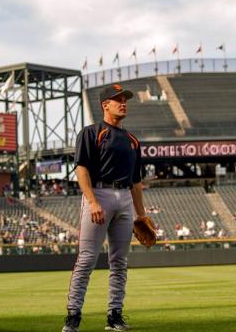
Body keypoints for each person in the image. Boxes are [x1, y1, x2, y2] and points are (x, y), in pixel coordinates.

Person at [63, 84, 146, 332]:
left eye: (125, 99)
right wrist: (92, 201)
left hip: (125, 198)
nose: (123, 103)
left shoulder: (132, 140)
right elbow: (82, 169)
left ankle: (114, 316)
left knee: (119, 262)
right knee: (87, 259)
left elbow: (136, 181)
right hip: (99, 193)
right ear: (104, 105)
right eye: (117, 99)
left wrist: (141, 214)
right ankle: (73, 317)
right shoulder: (91, 132)